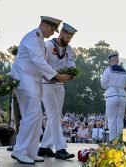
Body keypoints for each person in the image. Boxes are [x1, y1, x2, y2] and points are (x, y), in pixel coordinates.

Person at [10, 16, 71, 164]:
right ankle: (20, 150)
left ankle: (30, 151)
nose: (53, 32)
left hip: (32, 81)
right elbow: (39, 61)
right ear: (43, 25)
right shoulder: (33, 38)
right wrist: (56, 76)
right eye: (52, 29)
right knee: (33, 114)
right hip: (24, 80)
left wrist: (52, 77)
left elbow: (39, 64)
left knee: (36, 117)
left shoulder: (39, 40)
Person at [38, 23, 76, 160]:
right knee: (53, 114)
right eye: (67, 36)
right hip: (46, 83)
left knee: (56, 115)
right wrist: (52, 75)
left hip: (60, 84)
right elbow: (41, 64)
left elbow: (71, 63)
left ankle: (44, 147)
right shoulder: (48, 45)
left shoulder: (69, 48)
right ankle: (60, 148)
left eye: (71, 37)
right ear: (61, 33)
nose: (69, 39)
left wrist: (72, 73)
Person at [101, 52, 126, 142]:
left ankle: (112, 140)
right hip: (122, 95)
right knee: (120, 119)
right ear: (118, 60)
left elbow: (103, 84)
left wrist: (110, 85)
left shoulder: (108, 70)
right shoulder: (125, 71)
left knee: (112, 119)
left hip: (112, 95)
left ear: (109, 61)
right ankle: (120, 140)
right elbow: (124, 85)